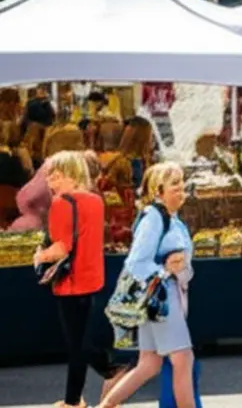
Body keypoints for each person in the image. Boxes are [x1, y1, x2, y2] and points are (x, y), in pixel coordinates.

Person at [32, 151, 124, 408]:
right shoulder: (96, 201)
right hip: (91, 277)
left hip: (70, 281)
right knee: (79, 341)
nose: (50, 182)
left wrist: (41, 256)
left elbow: (62, 247)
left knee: (77, 344)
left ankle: (108, 374)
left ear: (72, 175)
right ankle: (83, 393)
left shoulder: (61, 203)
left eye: (56, 176)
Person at [101, 163, 196, 408]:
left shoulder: (171, 219)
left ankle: (105, 406)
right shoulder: (154, 217)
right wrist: (165, 270)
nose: (181, 188)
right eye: (174, 184)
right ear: (158, 191)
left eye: (181, 182)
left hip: (158, 296)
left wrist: (178, 268)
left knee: (150, 363)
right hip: (161, 298)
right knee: (183, 358)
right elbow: (136, 262)